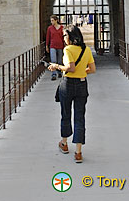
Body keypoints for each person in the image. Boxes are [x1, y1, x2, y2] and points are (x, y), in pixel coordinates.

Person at [48, 25, 96, 163]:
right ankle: (78, 152)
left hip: (68, 84)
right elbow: (92, 69)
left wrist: (56, 66)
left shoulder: (68, 49)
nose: (63, 38)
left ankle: (64, 143)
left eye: (64, 35)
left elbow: (71, 67)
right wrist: (82, 71)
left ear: (70, 36)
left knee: (66, 114)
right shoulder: (86, 50)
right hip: (82, 84)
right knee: (80, 116)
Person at [46, 15, 64, 81]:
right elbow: (48, 37)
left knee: (59, 60)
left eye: (52, 20)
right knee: (53, 60)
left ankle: (59, 72)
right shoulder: (50, 28)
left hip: (60, 46)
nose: (51, 22)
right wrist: (47, 46)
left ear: (56, 20)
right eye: (51, 21)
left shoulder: (61, 27)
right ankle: (53, 74)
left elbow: (63, 37)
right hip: (52, 46)